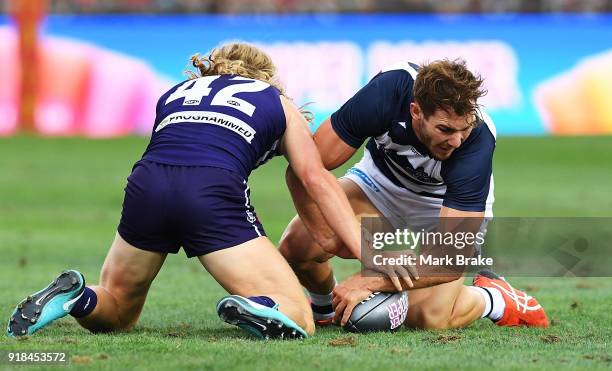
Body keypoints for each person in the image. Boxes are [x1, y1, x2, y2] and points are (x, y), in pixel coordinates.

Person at [7, 43, 372, 340]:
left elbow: (181, 144)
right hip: (210, 189)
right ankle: (261, 304)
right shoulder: (275, 100)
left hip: (146, 183)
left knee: (117, 308)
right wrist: (366, 251)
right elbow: (314, 176)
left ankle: (77, 298)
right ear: (268, 77)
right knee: (298, 314)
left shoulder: (175, 93)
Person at [279, 59, 549, 329]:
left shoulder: (477, 141)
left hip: (441, 206)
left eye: (463, 129)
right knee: (297, 247)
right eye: (445, 129)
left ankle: (494, 298)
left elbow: (450, 260)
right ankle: (326, 307)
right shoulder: (385, 95)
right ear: (416, 111)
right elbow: (305, 169)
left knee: (427, 317)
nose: (456, 141)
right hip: (379, 185)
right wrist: (325, 235)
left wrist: (372, 279)